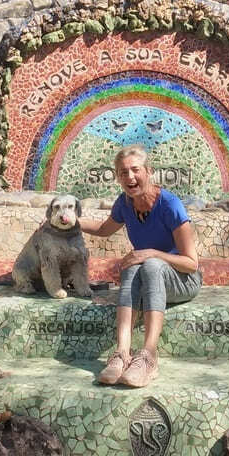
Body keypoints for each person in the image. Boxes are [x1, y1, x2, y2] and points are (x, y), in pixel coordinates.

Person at [79, 144, 201, 387]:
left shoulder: (170, 205)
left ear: (148, 171)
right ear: (117, 177)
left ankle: (148, 356)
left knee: (150, 264)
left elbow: (191, 264)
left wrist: (151, 253)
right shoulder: (125, 203)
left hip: (183, 280)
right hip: (148, 277)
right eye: (123, 172)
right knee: (133, 265)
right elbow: (104, 229)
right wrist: (70, 221)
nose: (130, 177)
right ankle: (122, 353)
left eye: (135, 170)